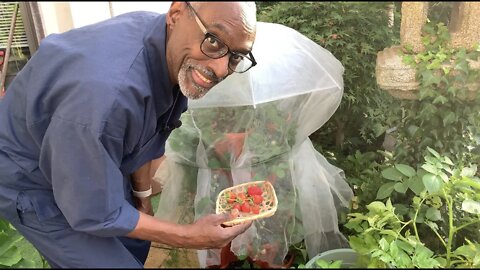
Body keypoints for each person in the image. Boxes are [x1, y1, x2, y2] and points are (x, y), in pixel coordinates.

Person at [0, 2, 257, 268]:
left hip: (83, 144)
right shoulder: (106, 99)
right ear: (177, 12)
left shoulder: (168, 45)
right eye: (213, 41)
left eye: (236, 57)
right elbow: (93, 210)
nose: (220, 68)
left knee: (136, 241)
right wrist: (191, 236)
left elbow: (146, 135)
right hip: (31, 176)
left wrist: (142, 197)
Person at [153, 22, 354, 268]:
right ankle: (231, 257)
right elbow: (195, 128)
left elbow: (282, 128)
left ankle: (265, 256)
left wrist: (250, 139)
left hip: (268, 166)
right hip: (221, 167)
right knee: (221, 215)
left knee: (272, 216)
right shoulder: (213, 76)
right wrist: (225, 142)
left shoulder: (267, 81)